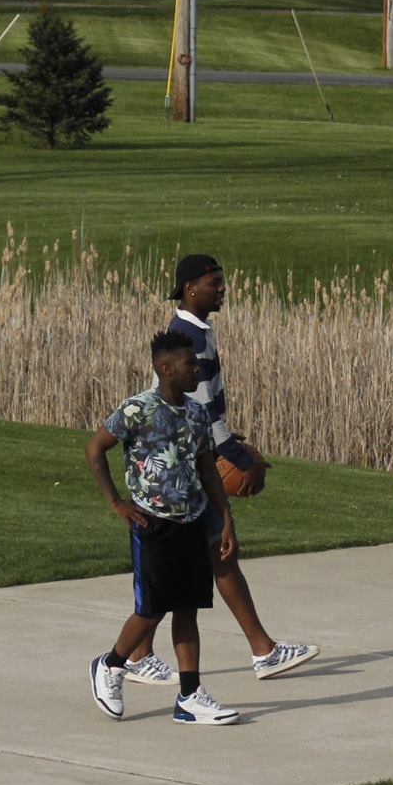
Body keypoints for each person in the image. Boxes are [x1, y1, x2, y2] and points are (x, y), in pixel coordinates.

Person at [120, 253, 318, 688]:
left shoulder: (195, 330)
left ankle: (256, 649)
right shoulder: (189, 336)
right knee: (213, 556)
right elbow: (201, 409)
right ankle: (258, 651)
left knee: (210, 558)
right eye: (214, 282)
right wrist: (239, 456)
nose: (222, 289)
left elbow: (203, 408)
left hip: (188, 454)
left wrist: (230, 439)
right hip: (186, 465)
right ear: (192, 287)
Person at [84, 329, 241, 726]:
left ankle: (189, 696)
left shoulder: (197, 413)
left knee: (188, 608)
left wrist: (225, 519)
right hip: (151, 524)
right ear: (165, 368)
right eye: (190, 364)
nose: (197, 369)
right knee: (151, 608)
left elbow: (208, 470)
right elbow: (94, 449)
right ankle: (111, 664)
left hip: (192, 521)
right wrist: (117, 503)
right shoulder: (138, 410)